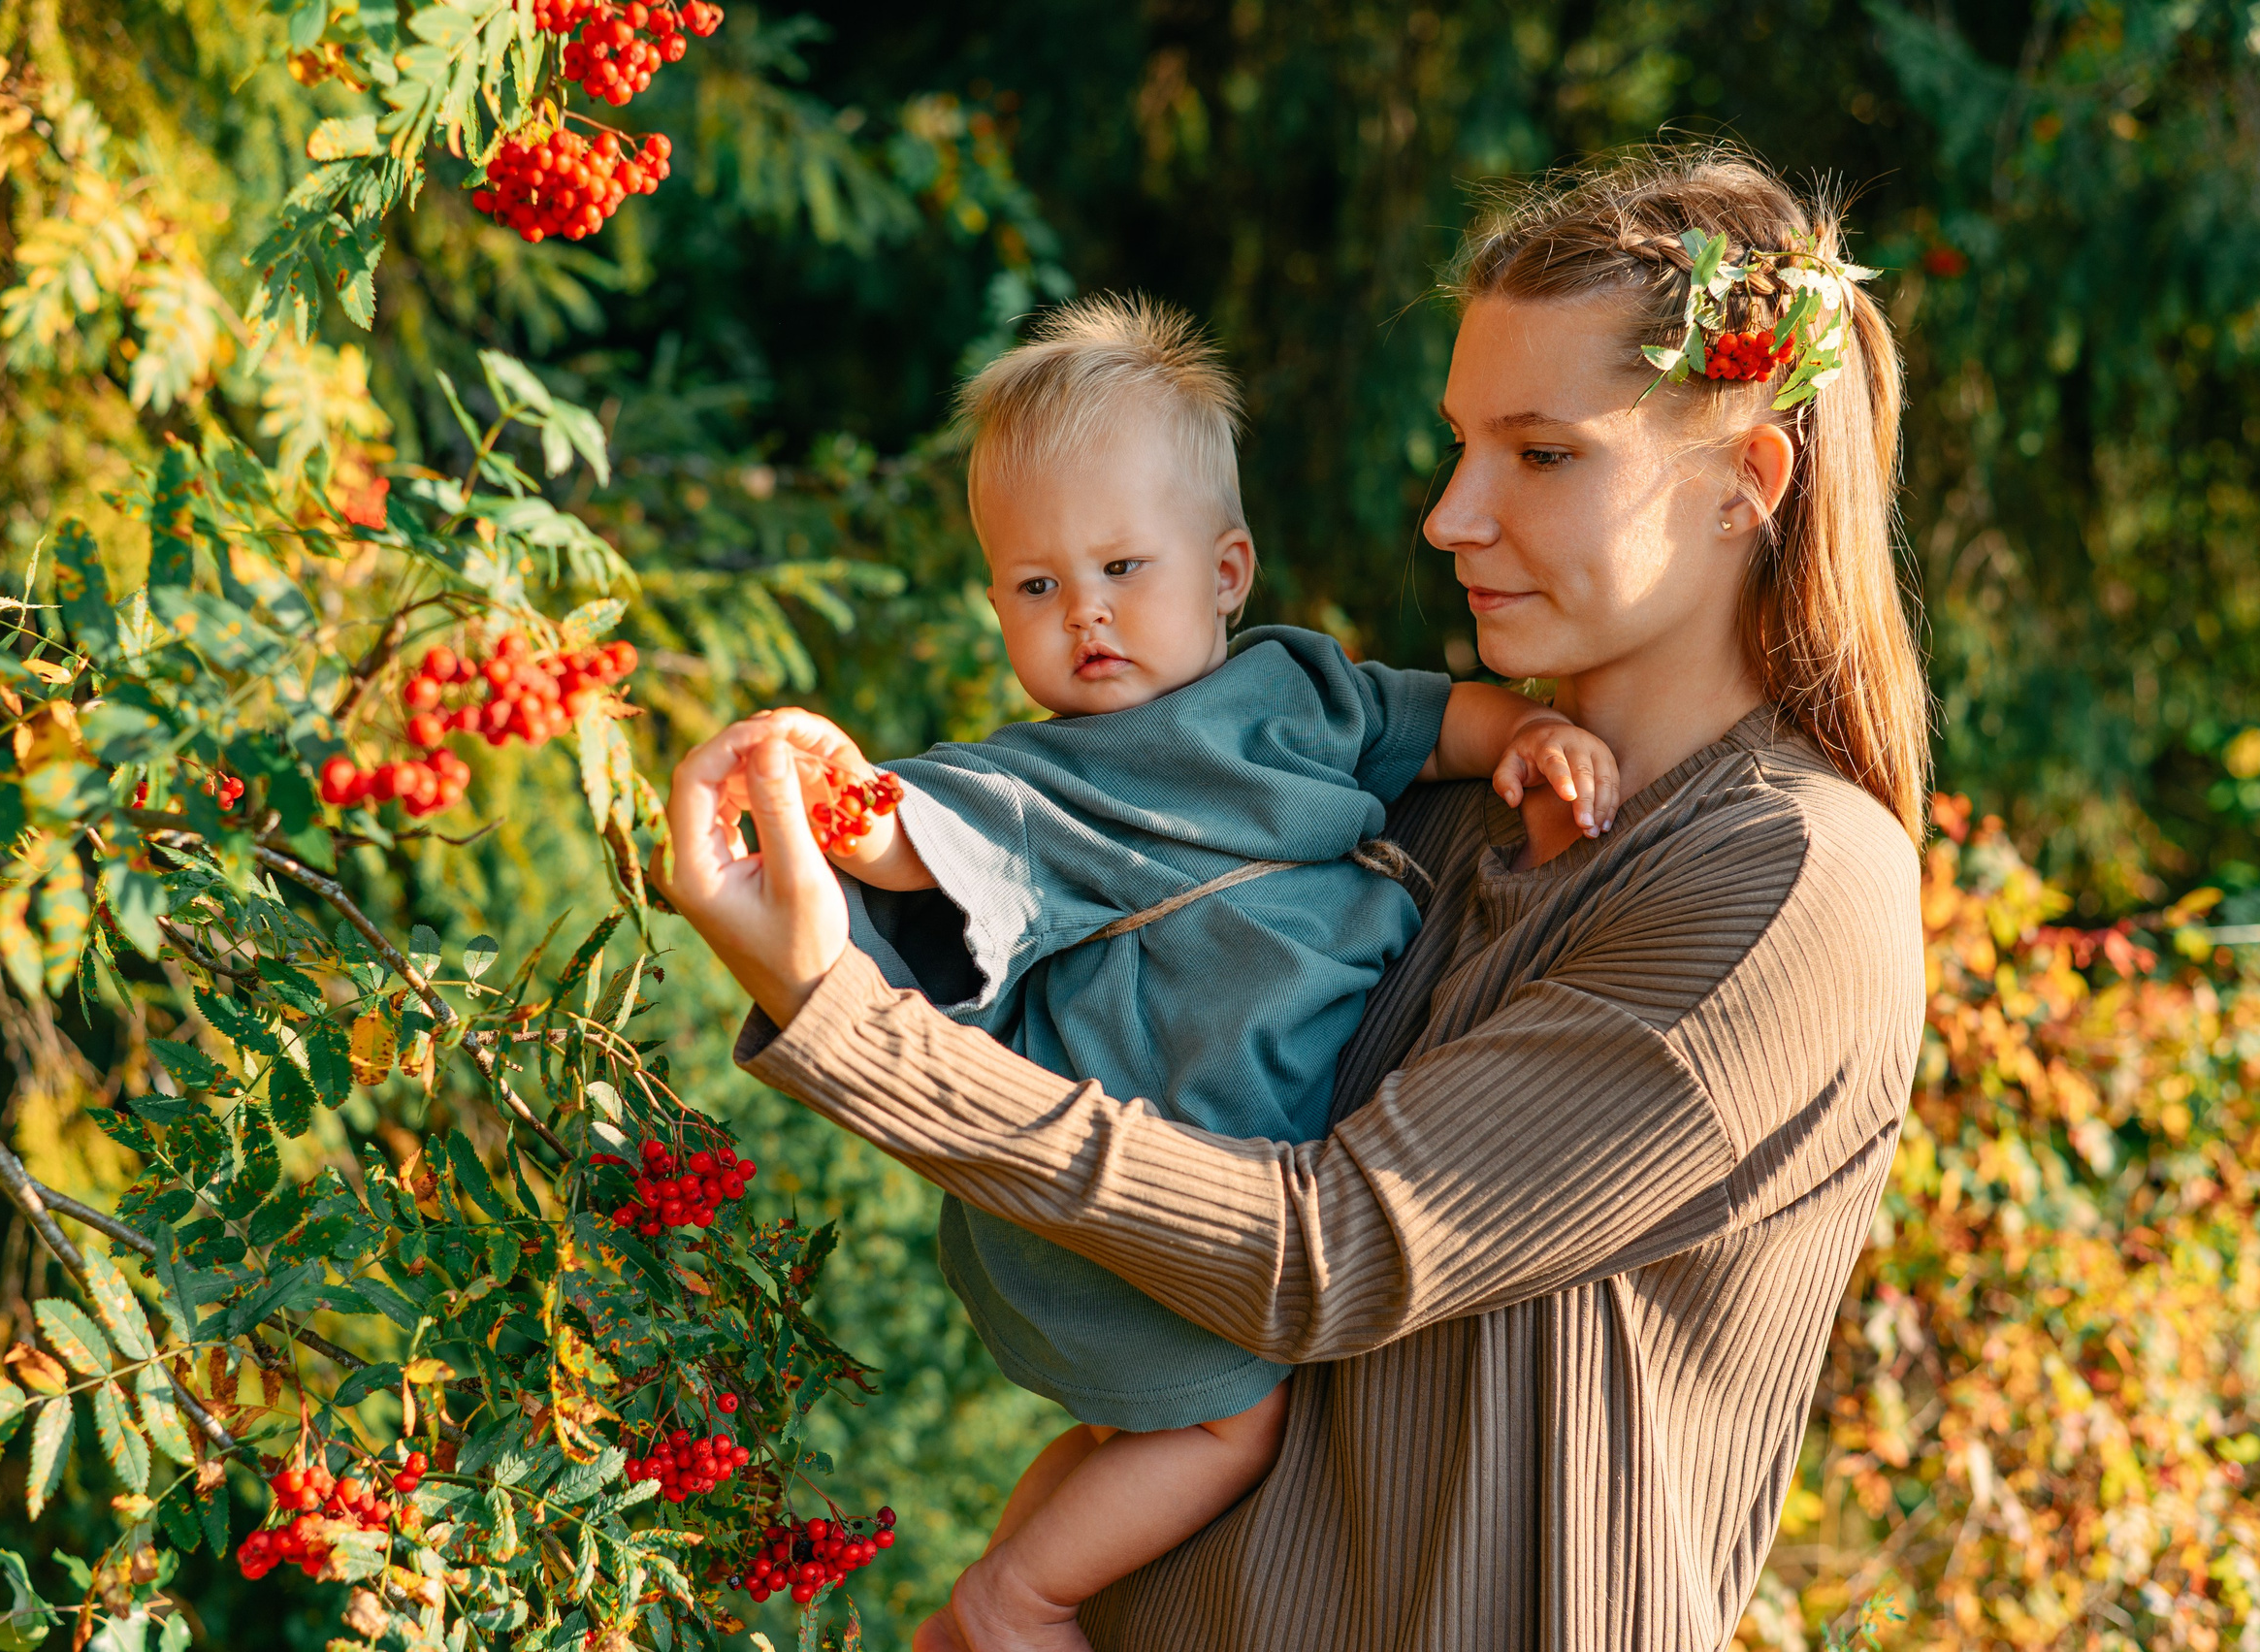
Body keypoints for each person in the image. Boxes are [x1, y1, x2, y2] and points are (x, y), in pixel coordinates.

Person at [666, 143, 1929, 1650]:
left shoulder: (1789, 884)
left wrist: (846, 1023)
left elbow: (1328, 1255)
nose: (1449, 516)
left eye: (1540, 454)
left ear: (1746, 484)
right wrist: (857, 854)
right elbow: (1087, 911)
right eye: (1460, 445)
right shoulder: (1422, 805)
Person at [706, 294, 1620, 1651]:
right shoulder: (1045, 778)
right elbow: (926, 834)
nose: (1084, 613)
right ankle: (1019, 1601)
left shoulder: (1299, 694)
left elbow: (1427, 723)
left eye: (1123, 567)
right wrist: (834, 799)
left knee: (1130, 1433)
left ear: (1228, 569)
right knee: (1230, 1422)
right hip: (1141, 1177)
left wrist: (1529, 739)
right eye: (1035, 587)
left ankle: (981, 1603)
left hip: (1226, 1167)